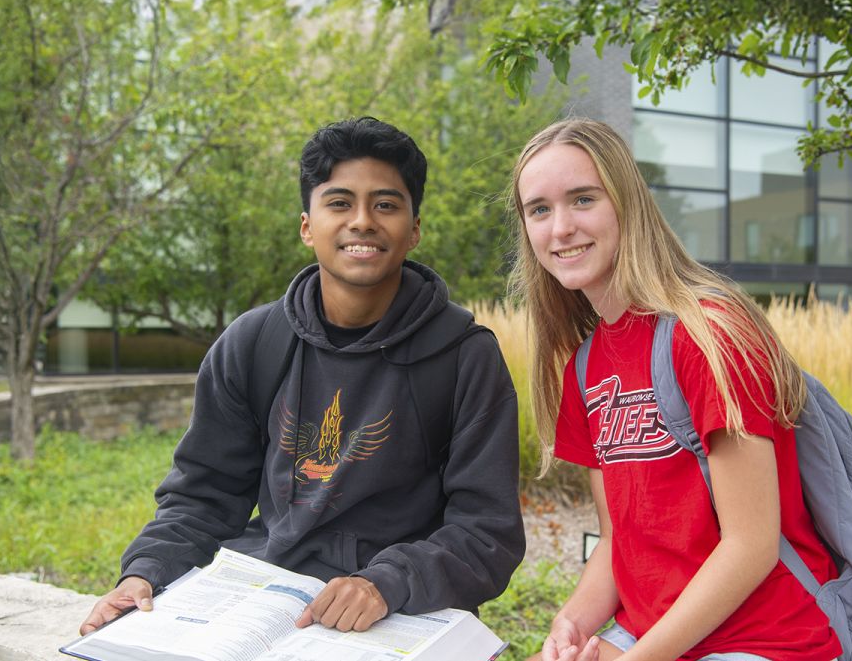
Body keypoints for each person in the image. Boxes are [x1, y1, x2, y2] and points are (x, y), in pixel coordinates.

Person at [80, 116, 524, 636]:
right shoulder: (253, 342)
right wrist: (145, 573)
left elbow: (486, 532)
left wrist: (386, 583)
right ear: (307, 226)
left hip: (398, 611)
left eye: (386, 204)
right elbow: (205, 494)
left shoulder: (463, 356)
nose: (362, 220)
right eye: (339, 203)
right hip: (267, 597)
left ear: (415, 229)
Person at [510, 118, 842, 661]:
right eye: (539, 209)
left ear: (626, 203)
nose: (560, 227)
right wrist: (570, 624)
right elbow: (619, 543)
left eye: (583, 199)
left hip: (764, 641)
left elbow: (751, 546)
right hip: (652, 635)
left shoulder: (710, 334)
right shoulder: (585, 366)